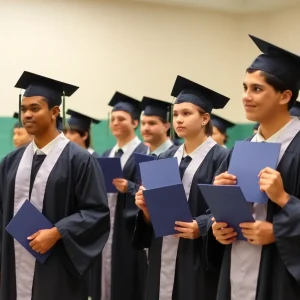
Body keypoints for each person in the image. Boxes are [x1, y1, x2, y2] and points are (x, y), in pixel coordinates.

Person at [0, 71, 110, 300]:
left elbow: (96, 213)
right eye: (24, 110)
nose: (27, 115)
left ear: (54, 112)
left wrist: (58, 232)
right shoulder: (11, 161)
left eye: (35, 108)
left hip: (57, 266)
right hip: (14, 264)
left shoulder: (80, 161)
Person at [210, 35, 300, 300]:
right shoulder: (242, 148)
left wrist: (281, 221)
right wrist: (218, 224)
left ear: (285, 96)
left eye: (257, 89)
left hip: (281, 278)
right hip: (236, 269)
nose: (245, 97)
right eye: (244, 87)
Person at [133, 75, 230, 300]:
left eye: (187, 114)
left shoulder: (222, 158)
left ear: (205, 118)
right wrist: (146, 210)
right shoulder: (165, 157)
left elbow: (226, 208)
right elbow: (155, 215)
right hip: (162, 251)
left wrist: (202, 226)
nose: (179, 120)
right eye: (176, 114)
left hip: (197, 254)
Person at [90, 92, 148, 300]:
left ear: (134, 122)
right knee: (103, 277)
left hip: (129, 230)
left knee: (127, 279)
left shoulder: (145, 153)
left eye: (121, 119)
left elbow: (149, 191)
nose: (115, 123)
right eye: (112, 119)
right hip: (106, 226)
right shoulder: (106, 155)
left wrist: (130, 187)